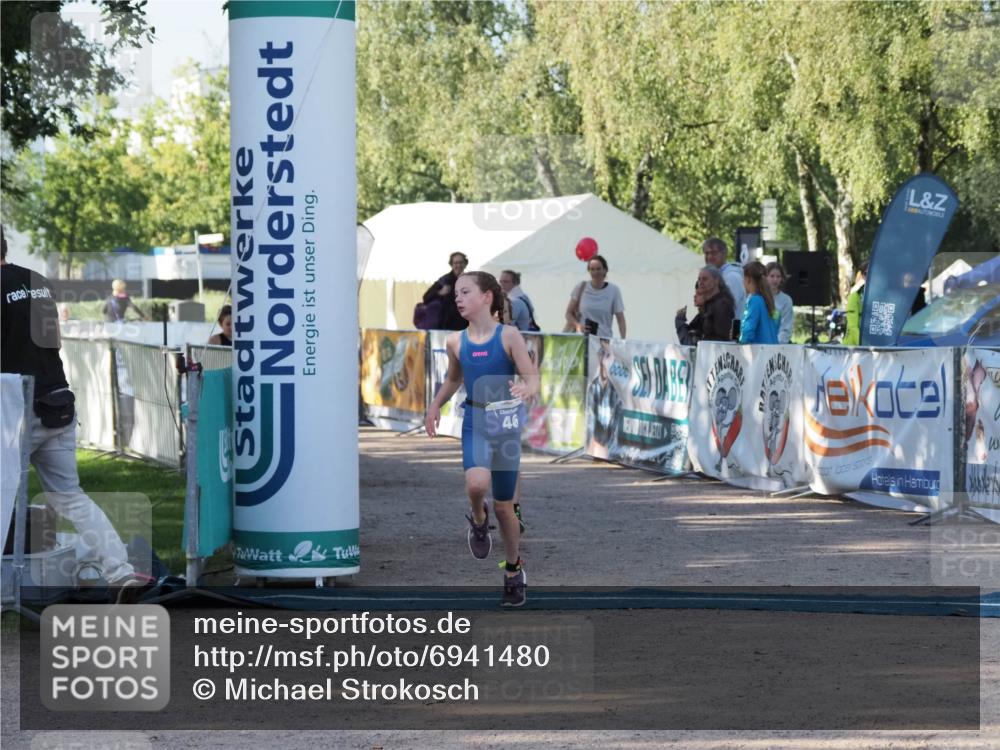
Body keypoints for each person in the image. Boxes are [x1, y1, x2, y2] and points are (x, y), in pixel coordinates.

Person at [0, 229, 145, 603]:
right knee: (70, 497)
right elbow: (56, 341)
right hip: (57, 399)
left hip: (15, 408)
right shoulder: (37, 280)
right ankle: (120, 572)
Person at [425, 271, 538, 607]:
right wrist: (435, 404)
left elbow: (532, 377)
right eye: (456, 294)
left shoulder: (509, 336)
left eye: (465, 292)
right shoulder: (455, 341)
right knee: (476, 485)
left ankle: (513, 570)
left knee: (505, 507)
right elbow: (453, 379)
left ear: (487, 297)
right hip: (475, 419)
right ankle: (477, 519)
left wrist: (527, 388)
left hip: (505, 426)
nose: (457, 298)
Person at [565, 254, 626, 338]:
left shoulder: (614, 290)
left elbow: (621, 320)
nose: (595, 272)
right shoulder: (581, 287)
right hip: (583, 339)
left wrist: (623, 340)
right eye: (592, 269)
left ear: (605, 270)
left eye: (598, 269)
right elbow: (568, 313)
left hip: (603, 340)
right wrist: (577, 326)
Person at [675, 266, 736, 346]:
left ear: (716, 281)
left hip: (715, 352)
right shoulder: (709, 305)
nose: (700, 282)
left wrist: (701, 339)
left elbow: (722, 338)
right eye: (699, 279)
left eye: (705, 279)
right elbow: (689, 335)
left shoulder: (722, 304)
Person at [421, 252, 469, 331]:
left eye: (461, 262)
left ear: (465, 264)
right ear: (451, 264)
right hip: (446, 324)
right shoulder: (444, 280)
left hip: (465, 324)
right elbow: (426, 297)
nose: (458, 265)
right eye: (456, 263)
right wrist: (440, 293)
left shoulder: (470, 280)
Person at [702, 238, 745, 319]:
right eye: (706, 253)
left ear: (724, 254)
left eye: (714, 253)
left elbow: (726, 310)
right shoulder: (717, 276)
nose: (709, 257)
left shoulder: (732, 277)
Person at [738, 261, 779, 344]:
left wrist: (739, 337)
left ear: (748, 279)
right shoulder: (767, 299)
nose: (742, 282)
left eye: (743, 278)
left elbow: (748, 331)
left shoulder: (754, 300)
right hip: (772, 348)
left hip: (760, 350)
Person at [765, 262, 794, 344]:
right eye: (772, 276)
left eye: (778, 276)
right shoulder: (757, 298)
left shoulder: (786, 300)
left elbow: (786, 327)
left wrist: (777, 345)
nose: (775, 280)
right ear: (765, 277)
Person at [844, 261, 867, 346]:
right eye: (866, 274)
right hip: (854, 347)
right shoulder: (854, 296)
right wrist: (863, 346)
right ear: (862, 276)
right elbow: (853, 327)